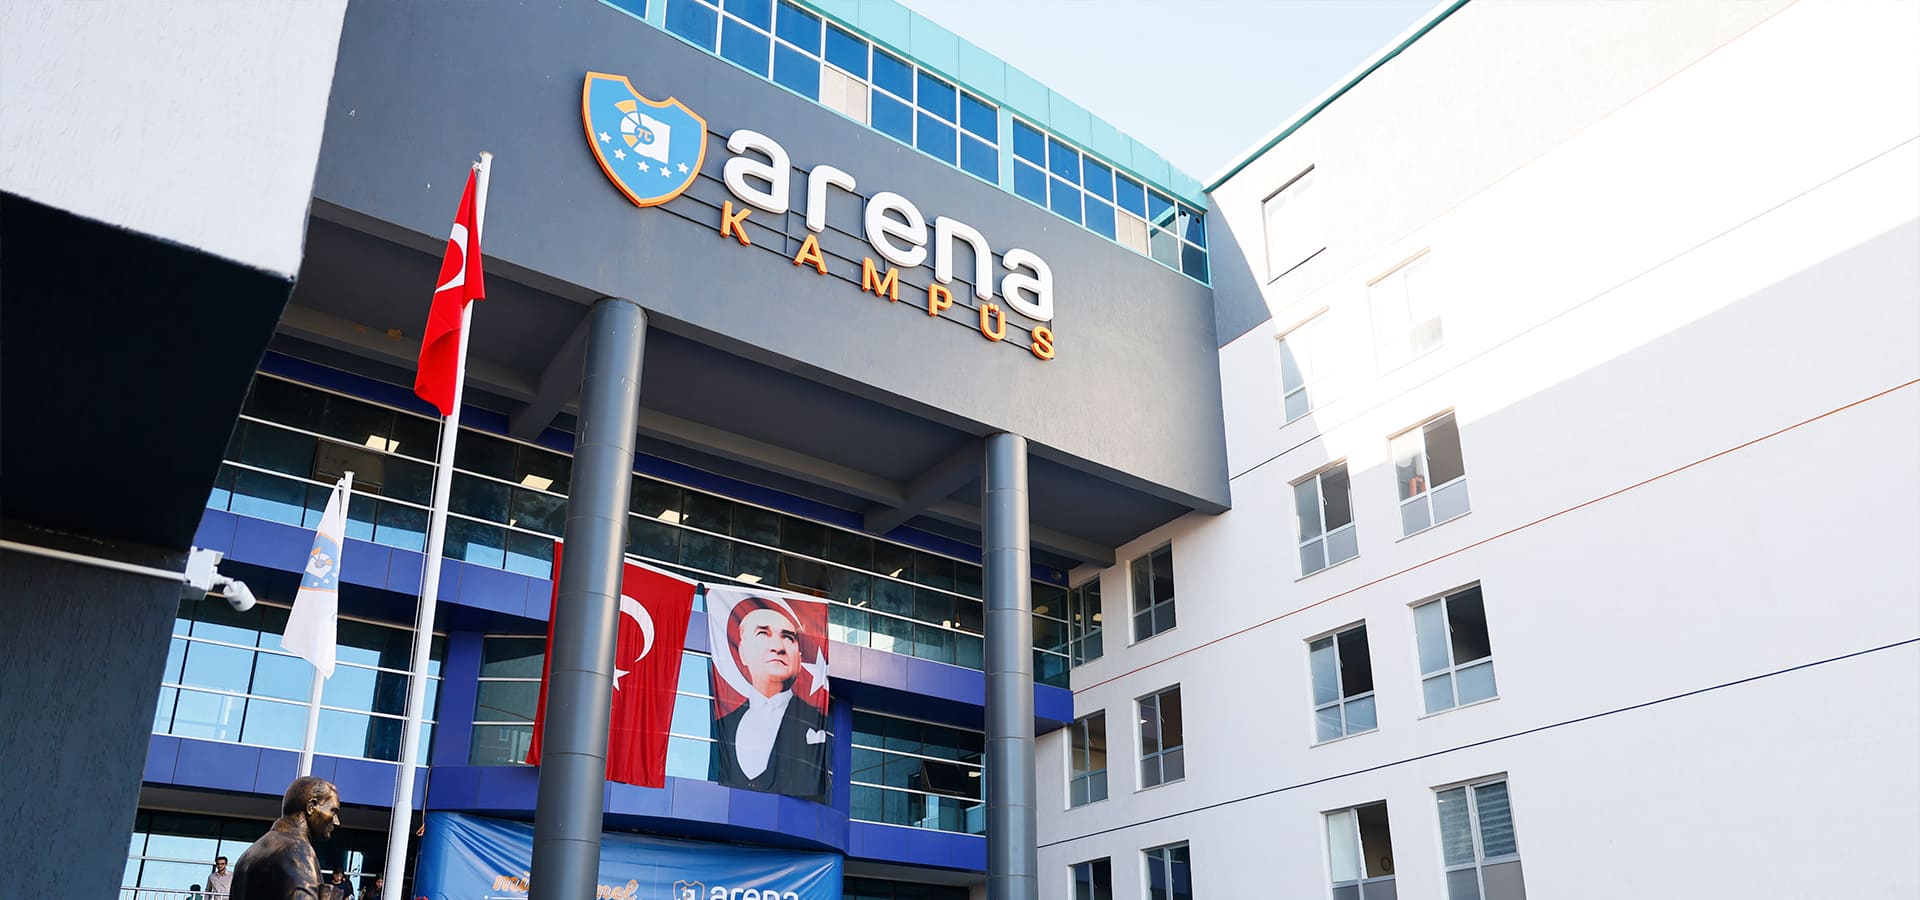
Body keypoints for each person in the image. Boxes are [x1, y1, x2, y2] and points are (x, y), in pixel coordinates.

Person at [711, 598, 828, 800]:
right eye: (763, 634)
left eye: (788, 637)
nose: (778, 647)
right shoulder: (722, 727)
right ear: (742, 652)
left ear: (799, 658)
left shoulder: (818, 721)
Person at [230, 775, 340, 900]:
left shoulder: (248, 855)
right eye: (333, 811)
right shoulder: (296, 849)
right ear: (311, 806)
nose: (337, 822)